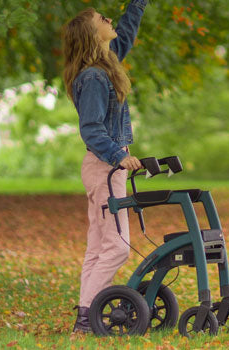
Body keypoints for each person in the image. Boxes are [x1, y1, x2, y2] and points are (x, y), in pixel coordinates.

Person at [62, 0, 149, 334]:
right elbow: (92, 129)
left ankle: (84, 320)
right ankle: (88, 316)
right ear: (90, 33)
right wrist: (118, 156)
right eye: (101, 18)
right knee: (116, 248)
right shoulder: (95, 78)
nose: (109, 19)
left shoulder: (106, 66)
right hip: (105, 166)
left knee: (99, 247)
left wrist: (138, 4)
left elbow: (125, 33)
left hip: (104, 166)